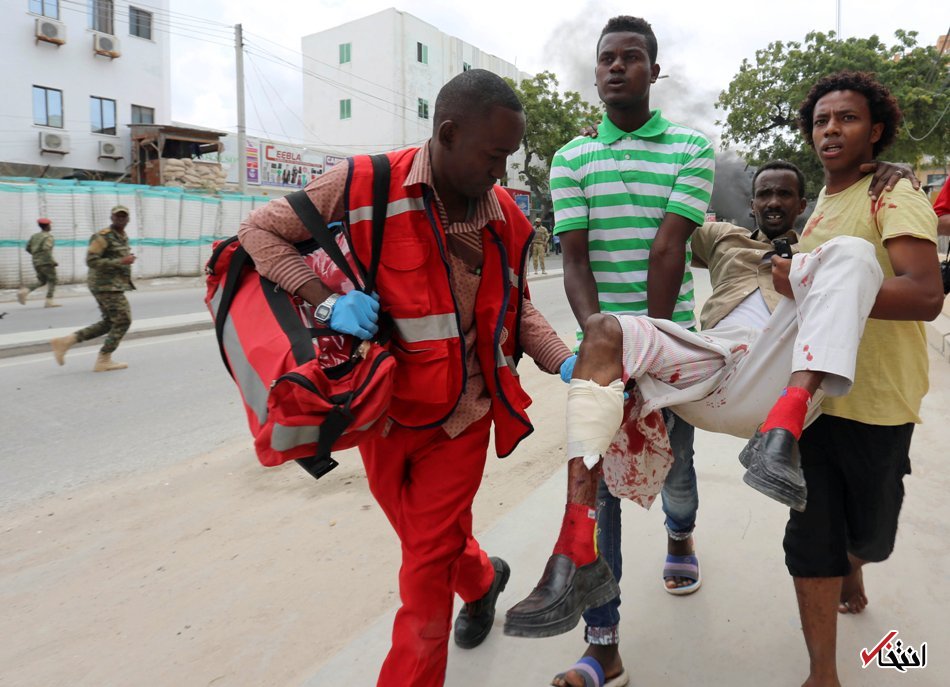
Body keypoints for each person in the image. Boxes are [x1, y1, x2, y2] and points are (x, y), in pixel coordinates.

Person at [237, 69, 572, 687]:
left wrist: (562, 358)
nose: (501, 175)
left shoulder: (505, 219)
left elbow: (518, 306)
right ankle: (480, 577)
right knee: (432, 542)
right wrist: (323, 300)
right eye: (493, 155)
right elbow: (258, 232)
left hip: (464, 418)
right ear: (448, 133)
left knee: (421, 569)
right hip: (385, 414)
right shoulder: (365, 183)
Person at [506, 16, 715, 686]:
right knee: (601, 494)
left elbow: (668, 247)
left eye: (632, 58)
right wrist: (604, 351)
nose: (617, 67)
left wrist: (645, 354)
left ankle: (680, 531)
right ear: (596, 74)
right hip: (603, 356)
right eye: (607, 59)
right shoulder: (572, 158)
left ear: (655, 72)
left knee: (673, 469)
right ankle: (604, 642)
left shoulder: (690, 147)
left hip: (670, 345)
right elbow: (574, 260)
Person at [778, 71, 942, 687]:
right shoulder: (823, 202)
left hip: (880, 403)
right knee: (809, 535)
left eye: (845, 119)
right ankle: (823, 672)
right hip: (815, 401)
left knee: (872, 536)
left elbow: (925, 293)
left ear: (874, 130)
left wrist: (819, 287)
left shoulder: (893, 194)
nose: (830, 130)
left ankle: (858, 562)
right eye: (821, 121)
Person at [49, 206, 136, 372]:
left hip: (113, 285)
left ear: (128, 219)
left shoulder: (122, 237)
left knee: (109, 322)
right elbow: (91, 261)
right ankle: (104, 359)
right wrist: (120, 262)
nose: (120, 219)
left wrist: (125, 260)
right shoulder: (102, 237)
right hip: (105, 285)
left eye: (123, 217)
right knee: (123, 320)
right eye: (117, 216)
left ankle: (66, 342)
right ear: (111, 217)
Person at [17, 218, 60, 308]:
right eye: (50, 225)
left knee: (42, 281)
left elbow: (28, 248)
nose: (50, 226)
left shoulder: (34, 236)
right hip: (46, 262)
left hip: (36, 262)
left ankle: (25, 291)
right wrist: (52, 261)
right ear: (47, 226)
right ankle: (49, 301)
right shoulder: (48, 237)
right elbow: (46, 249)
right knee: (53, 280)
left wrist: (36, 255)